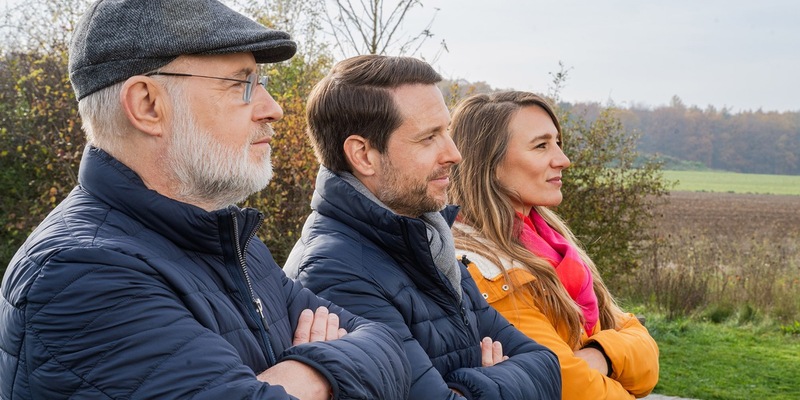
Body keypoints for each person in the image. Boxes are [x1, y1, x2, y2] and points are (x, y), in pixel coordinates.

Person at [0, 1, 412, 399]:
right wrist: (328, 368)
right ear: (147, 105)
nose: (273, 109)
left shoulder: (231, 246)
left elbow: (388, 346)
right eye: (241, 83)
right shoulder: (82, 274)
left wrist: (307, 371)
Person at [283, 55, 561, 400]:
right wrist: (492, 378)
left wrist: (470, 386)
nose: (454, 153)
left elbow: (546, 365)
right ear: (363, 155)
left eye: (447, 131)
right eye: (429, 138)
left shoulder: (429, 243)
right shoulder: (334, 273)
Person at [447, 91, 659, 399]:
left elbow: (646, 351)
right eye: (541, 145)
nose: (563, 160)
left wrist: (600, 354)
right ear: (489, 162)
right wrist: (616, 361)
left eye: (557, 143)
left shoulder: (556, 247)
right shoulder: (484, 270)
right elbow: (569, 388)